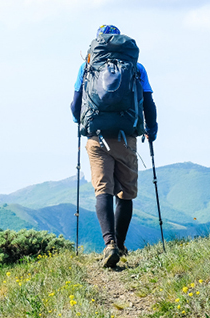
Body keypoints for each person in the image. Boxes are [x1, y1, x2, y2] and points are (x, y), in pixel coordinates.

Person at [70, 25, 158, 268]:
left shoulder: (87, 66)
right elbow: (148, 101)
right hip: (125, 136)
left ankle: (109, 244)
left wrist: (81, 122)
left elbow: (76, 103)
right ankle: (120, 244)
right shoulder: (136, 67)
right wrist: (152, 129)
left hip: (96, 137)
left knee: (103, 189)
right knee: (125, 193)